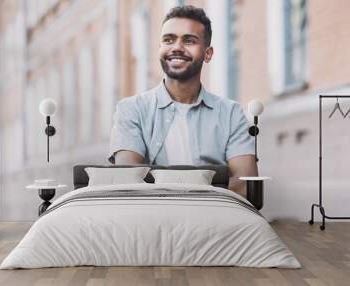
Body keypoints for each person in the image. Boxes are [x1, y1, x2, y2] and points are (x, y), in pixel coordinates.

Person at [108, 5, 258, 196]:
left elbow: (245, 183)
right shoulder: (131, 109)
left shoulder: (231, 113)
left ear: (208, 53)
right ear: (160, 48)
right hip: (151, 221)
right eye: (168, 40)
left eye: (189, 40)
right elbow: (128, 181)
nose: (177, 47)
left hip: (214, 221)